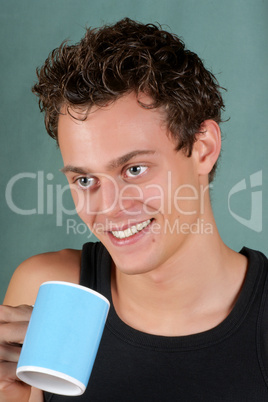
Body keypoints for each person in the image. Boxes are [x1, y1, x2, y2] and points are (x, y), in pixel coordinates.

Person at [0, 18, 267, 402]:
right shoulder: (45, 293)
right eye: (85, 179)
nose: (108, 208)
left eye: (134, 169)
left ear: (203, 148)